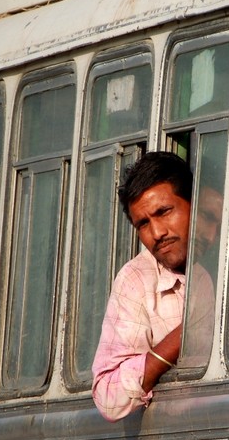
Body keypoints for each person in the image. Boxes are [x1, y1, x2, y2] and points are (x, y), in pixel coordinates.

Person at [91, 151, 213, 421]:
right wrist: (186, 334)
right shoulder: (136, 281)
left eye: (164, 212)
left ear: (195, 204)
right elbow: (109, 397)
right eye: (143, 223)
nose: (157, 233)